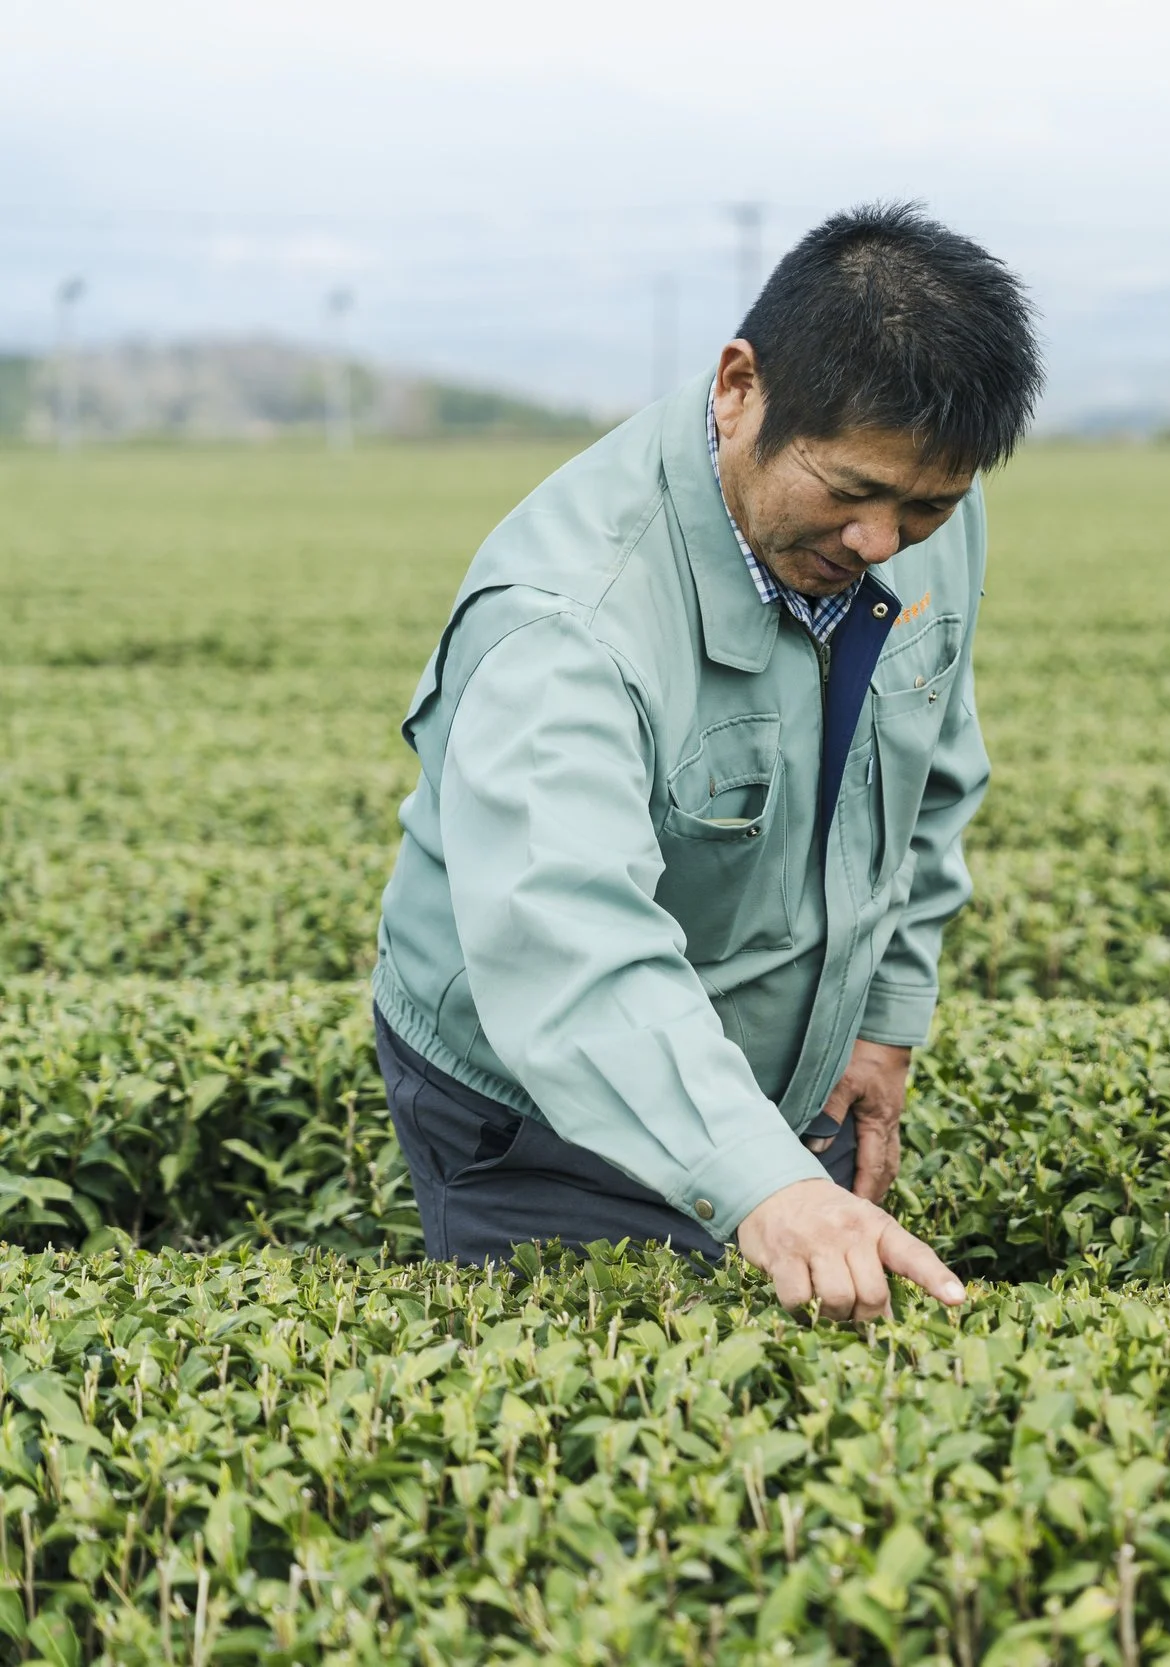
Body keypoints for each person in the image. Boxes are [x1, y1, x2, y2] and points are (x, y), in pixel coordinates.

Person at [372, 203, 1041, 1320]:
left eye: (926, 505)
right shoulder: (567, 624)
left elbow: (930, 771)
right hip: (541, 1099)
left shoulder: (923, 509)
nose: (881, 540)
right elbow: (570, 947)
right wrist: (768, 1183)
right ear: (739, 387)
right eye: (848, 492)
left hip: (779, 1066)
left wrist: (883, 1015)